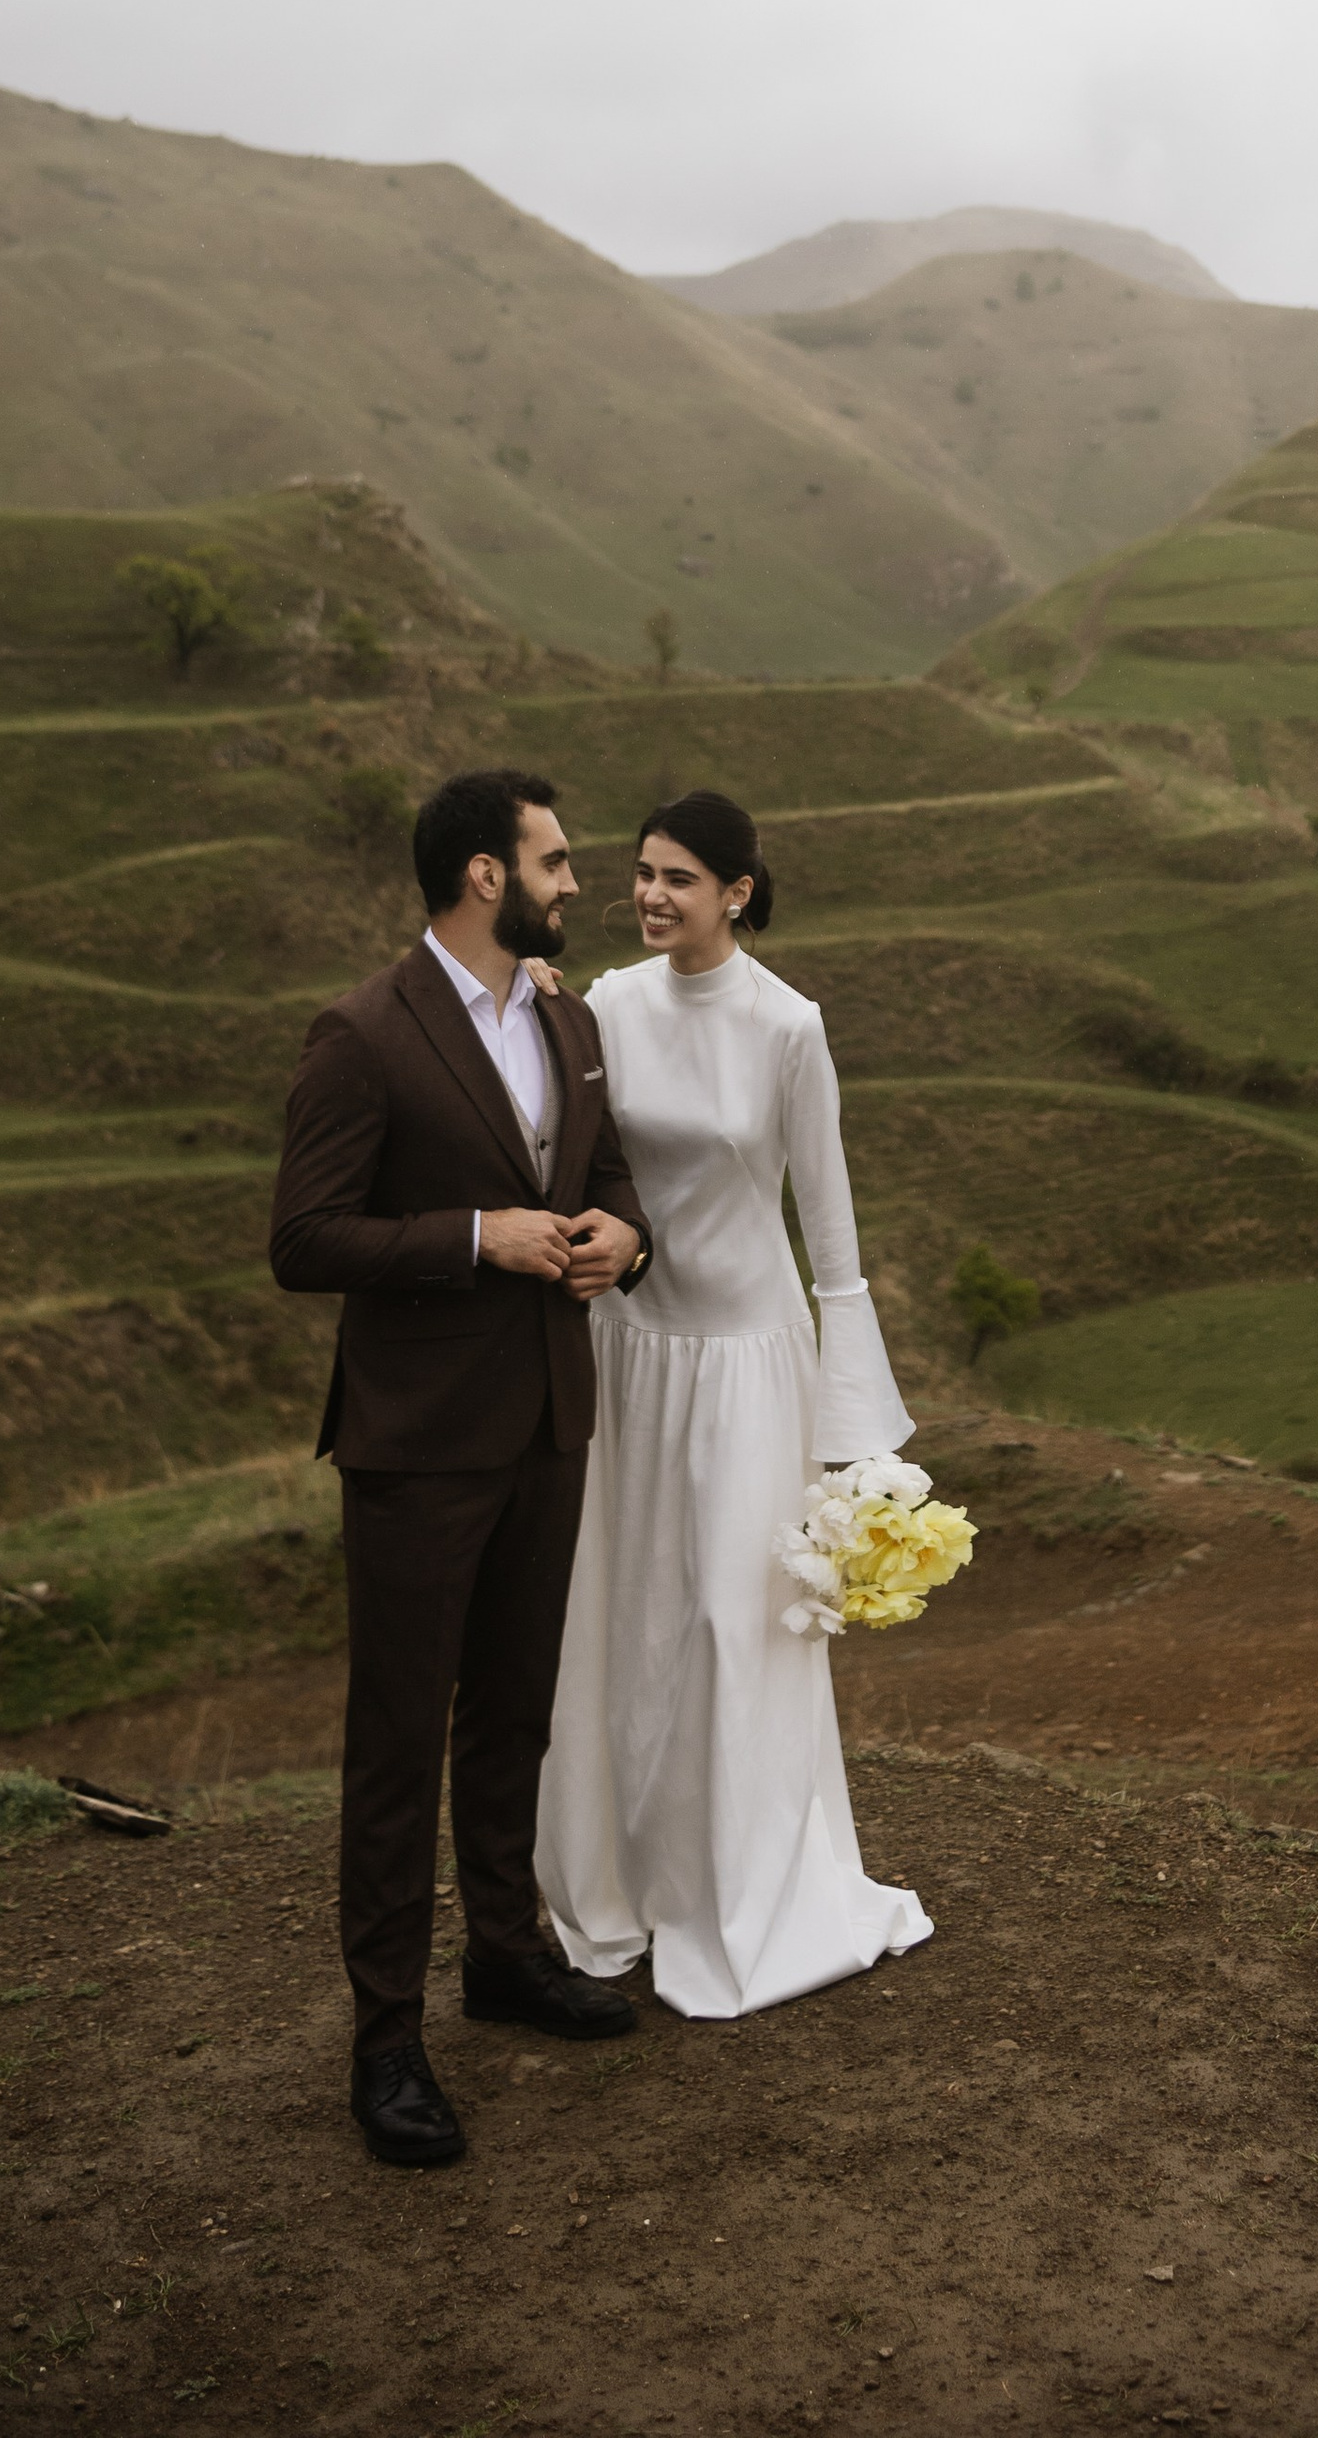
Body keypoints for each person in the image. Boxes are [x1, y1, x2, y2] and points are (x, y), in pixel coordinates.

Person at [270, 767, 655, 2170]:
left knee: (514, 1713)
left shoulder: (574, 1018)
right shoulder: (362, 1035)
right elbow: (302, 1239)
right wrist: (471, 1234)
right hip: (418, 1444)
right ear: (486, 877)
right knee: (397, 1742)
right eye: (554, 861)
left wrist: (623, 1239)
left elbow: (607, 1181)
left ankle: (506, 1953)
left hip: (551, 1419)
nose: (573, 881)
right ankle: (386, 2039)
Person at [534, 787, 931, 2018]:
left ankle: (737, 1884)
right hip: (628, 1349)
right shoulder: (603, 1004)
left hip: (748, 1359)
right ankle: (621, 1879)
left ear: (737, 894)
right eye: (641, 873)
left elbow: (832, 1234)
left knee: (727, 1620)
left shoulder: (788, 1026)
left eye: (678, 879)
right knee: (620, 1616)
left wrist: (856, 1439)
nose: (650, 895)